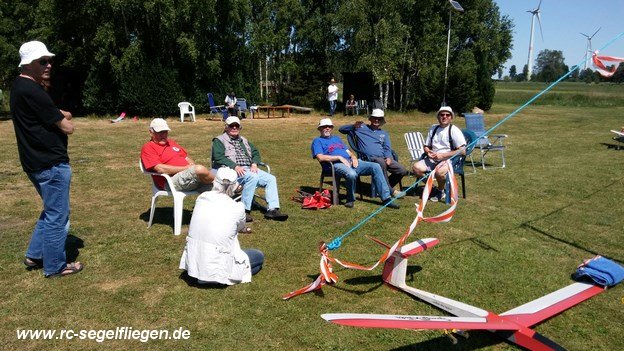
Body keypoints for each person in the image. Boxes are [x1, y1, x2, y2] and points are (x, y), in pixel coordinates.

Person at [10, 40, 83, 278]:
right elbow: (66, 127)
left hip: (35, 162)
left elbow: (50, 113)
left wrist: (59, 114)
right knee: (58, 217)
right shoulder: (32, 90)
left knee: (51, 210)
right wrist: (64, 118)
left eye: (49, 60)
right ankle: (55, 266)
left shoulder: (21, 87)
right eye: (43, 61)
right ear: (28, 64)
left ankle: (35, 254)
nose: (49, 65)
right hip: (50, 163)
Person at [179, 167, 264, 285]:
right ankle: (219, 278)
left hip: (195, 261)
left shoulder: (201, 198)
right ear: (235, 186)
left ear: (214, 182)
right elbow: (240, 227)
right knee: (258, 256)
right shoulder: (237, 207)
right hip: (218, 261)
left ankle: (205, 274)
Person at [311, 118, 400, 209]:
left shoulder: (337, 138)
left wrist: (353, 157)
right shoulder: (317, 141)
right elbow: (320, 157)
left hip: (350, 161)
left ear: (332, 128)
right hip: (335, 164)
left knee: (376, 166)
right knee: (352, 174)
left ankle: (386, 199)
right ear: (320, 129)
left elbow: (347, 151)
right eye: (324, 127)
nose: (327, 128)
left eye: (329, 126)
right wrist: (339, 157)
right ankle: (350, 199)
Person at [212, 116, 288, 222]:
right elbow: (218, 157)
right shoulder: (219, 140)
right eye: (231, 126)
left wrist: (254, 163)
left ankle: (272, 210)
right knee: (252, 177)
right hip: (230, 171)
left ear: (240, 127)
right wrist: (235, 166)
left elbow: (255, 153)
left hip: (248, 168)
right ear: (226, 127)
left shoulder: (244, 140)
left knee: (271, 178)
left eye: (237, 126)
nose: (234, 128)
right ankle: (244, 211)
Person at [339, 108, 408, 198]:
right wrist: (353, 126)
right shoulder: (361, 127)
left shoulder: (384, 133)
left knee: (402, 170)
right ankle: (391, 191)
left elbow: (387, 148)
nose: (376, 120)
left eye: (379, 119)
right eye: (374, 118)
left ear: (382, 120)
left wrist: (389, 157)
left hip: (383, 157)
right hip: (367, 157)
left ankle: (381, 188)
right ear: (370, 119)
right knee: (381, 163)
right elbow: (341, 129)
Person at [141, 118, 214, 192]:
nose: (163, 135)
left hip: (187, 177)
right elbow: (160, 169)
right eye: (160, 132)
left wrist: (191, 166)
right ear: (151, 132)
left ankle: (217, 183)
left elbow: (186, 158)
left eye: (165, 132)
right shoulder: (148, 147)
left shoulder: (171, 143)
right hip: (170, 181)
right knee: (200, 169)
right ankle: (217, 181)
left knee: (218, 189)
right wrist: (187, 168)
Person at [412, 106, 466, 202]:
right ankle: (432, 188)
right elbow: (426, 146)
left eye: (447, 115)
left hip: (448, 160)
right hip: (432, 159)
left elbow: (462, 151)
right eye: (442, 115)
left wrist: (443, 155)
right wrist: (428, 152)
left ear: (451, 117)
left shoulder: (454, 130)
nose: (444, 117)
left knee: (439, 173)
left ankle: (440, 191)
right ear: (438, 117)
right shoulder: (433, 128)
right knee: (416, 168)